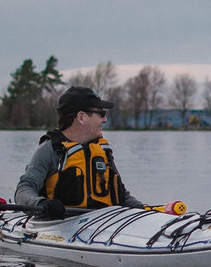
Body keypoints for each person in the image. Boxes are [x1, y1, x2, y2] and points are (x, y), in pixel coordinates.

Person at [15, 86, 146, 218]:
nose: (105, 120)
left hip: (100, 225)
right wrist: (41, 203)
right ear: (81, 117)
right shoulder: (50, 150)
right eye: (101, 114)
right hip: (59, 225)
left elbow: (122, 195)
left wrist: (141, 210)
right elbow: (24, 190)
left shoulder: (103, 151)